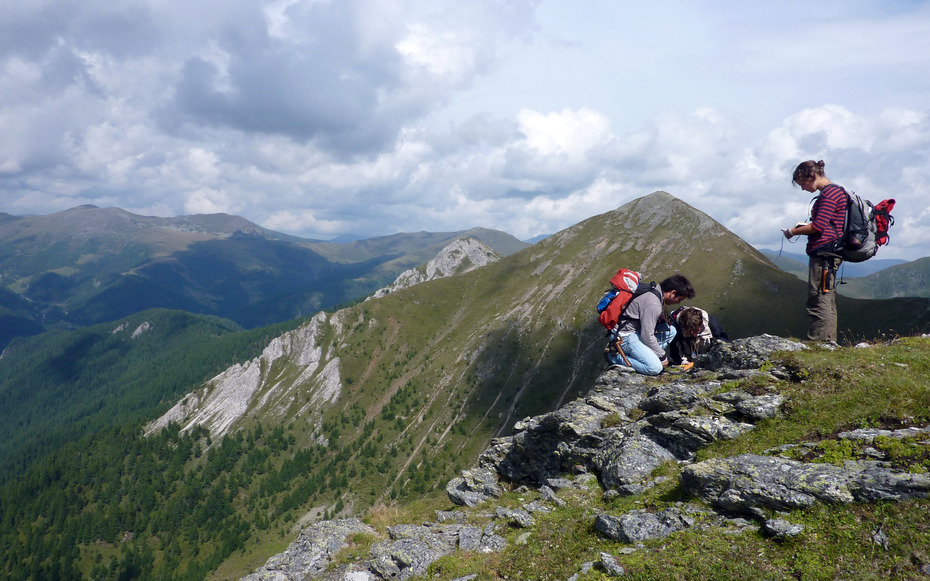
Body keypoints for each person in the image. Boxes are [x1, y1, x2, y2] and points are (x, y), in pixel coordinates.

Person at [783, 160, 847, 343]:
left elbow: (818, 226)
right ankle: (827, 341)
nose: (803, 189)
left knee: (819, 298)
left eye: (802, 183)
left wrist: (792, 231)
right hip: (829, 251)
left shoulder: (830, 194)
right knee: (825, 296)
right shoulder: (833, 192)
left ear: (810, 176)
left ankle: (818, 342)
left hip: (824, 252)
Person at [606, 274, 695, 375]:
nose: (678, 303)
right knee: (655, 367)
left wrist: (658, 316)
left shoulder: (655, 289)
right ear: (673, 293)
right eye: (679, 299)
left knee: (671, 331)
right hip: (625, 337)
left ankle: (646, 355)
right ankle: (615, 357)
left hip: (631, 330)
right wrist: (663, 357)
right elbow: (647, 336)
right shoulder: (653, 304)